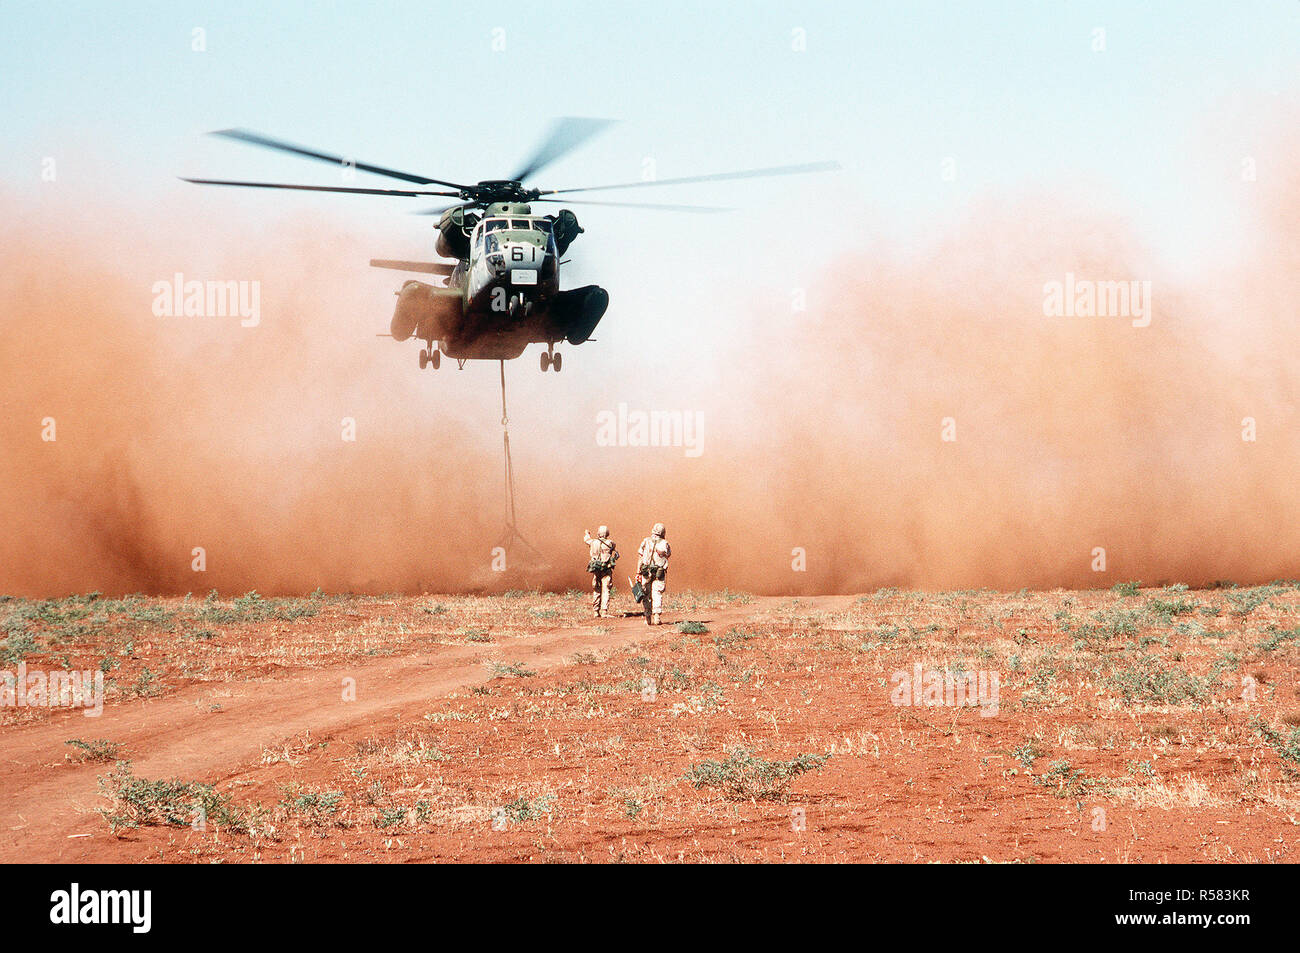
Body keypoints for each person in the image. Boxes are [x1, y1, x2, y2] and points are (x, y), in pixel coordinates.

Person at [636, 522, 671, 626]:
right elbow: (668, 555)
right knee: (657, 593)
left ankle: (647, 617)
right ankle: (657, 616)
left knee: (645, 594)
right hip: (658, 572)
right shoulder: (665, 543)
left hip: (646, 572)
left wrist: (638, 572)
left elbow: (640, 557)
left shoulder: (645, 541)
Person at [583, 526, 618, 618]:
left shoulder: (593, 542)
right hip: (606, 569)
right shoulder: (610, 543)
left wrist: (587, 533)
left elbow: (587, 540)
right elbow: (614, 546)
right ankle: (604, 611)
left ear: (598, 533)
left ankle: (595, 611)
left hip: (596, 568)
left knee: (596, 589)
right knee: (606, 589)